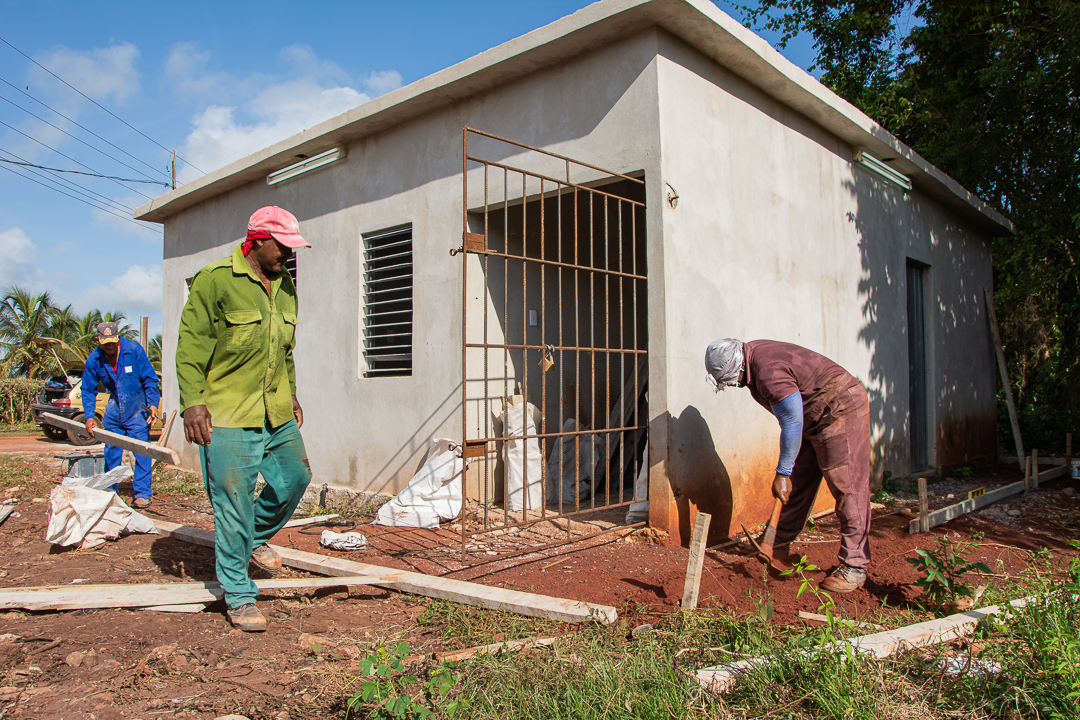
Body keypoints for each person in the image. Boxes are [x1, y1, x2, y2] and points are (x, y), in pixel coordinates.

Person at [176, 205, 312, 632]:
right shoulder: (216, 279)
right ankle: (238, 594)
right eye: (282, 246)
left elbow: (284, 350)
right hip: (228, 413)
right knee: (233, 503)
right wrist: (192, 403)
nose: (288, 255)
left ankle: (249, 541)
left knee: (295, 479)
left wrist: (291, 393)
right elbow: (190, 345)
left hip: (275, 409)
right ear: (257, 241)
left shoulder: (285, 284)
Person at [705, 338, 871, 593]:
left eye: (730, 380)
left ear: (738, 367)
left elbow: (792, 422)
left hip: (838, 410)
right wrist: (788, 473)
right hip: (813, 417)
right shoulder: (753, 359)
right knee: (799, 481)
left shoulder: (767, 372)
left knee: (847, 487)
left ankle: (855, 565)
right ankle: (775, 543)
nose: (733, 386)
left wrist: (782, 473)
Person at [82, 321, 161, 508]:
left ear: (117, 337)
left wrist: (153, 404)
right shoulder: (94, 360)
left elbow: (150, 379)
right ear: (98, 340)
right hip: (115, 408)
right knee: (111, 452)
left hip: (137, 408)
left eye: (112, 342)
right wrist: (89, 416)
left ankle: (142, 493)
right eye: (105, 343)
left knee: (142, 452)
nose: (109, 346)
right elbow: (88, 389)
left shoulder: (133, 350)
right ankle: (111, 492)